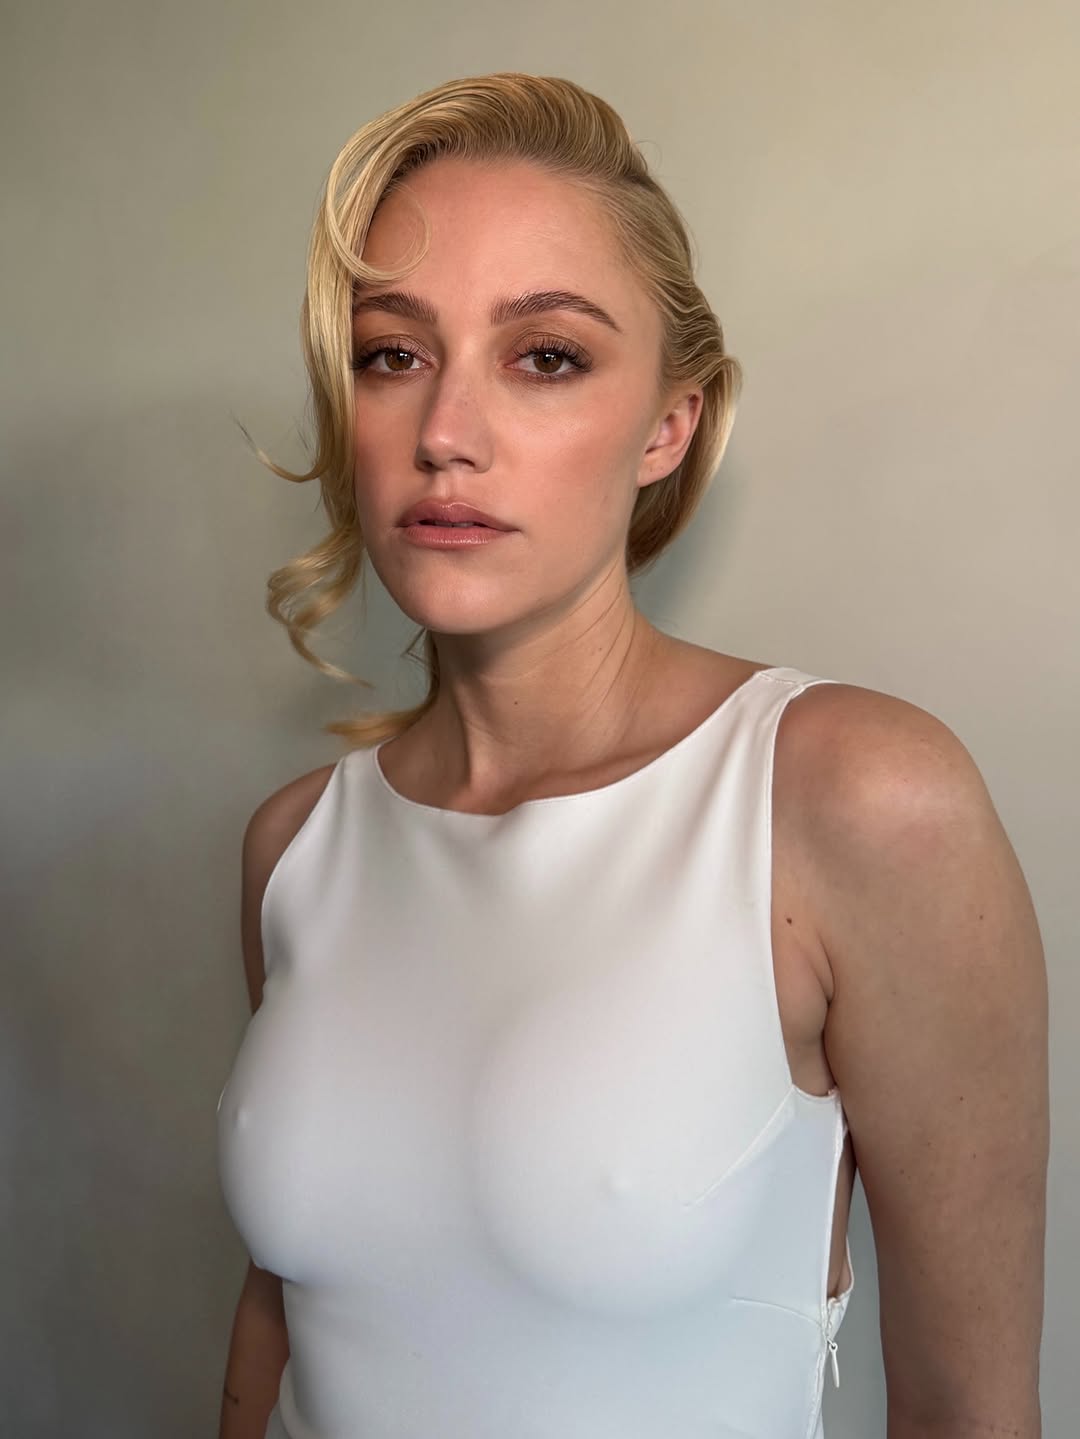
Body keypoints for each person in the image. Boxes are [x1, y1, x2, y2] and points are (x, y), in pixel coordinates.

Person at [215, 73, 1048, 1439]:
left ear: (669, 425)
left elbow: (971, 1409)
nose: (445, 435)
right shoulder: (295, 848)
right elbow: (284, 1312)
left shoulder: (852, 799)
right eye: (391, 355)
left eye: (546, 356)